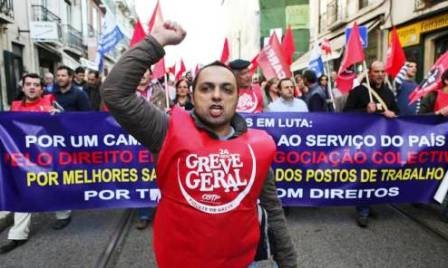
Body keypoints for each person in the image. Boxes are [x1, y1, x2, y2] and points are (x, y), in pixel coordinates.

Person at [102, 21, 297, 267]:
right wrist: (156, 41)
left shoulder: (257, 147)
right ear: (193, 96)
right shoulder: (166, 131)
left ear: (238, 98)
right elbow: (115, 92)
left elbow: (273, 211)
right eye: (207, 88)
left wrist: (288, 262)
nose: (217, 95)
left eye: (227, 89)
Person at [0, 73, 59, 254]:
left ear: (42, 89)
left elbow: (65, 126)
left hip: (48, 159)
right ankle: (18, 235)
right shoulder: (14, 107)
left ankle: (64, 214)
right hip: (22, 159)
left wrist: (58, 116)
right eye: (28, 84)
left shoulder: (50, 103)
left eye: (36, 84)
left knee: (59, 187)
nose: (32, 87)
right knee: (23, 192)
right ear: (23, 87)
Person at [343, 61, 399, 228]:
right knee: (364, 174)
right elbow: (346, 113)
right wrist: (364, 111)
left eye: (382, 71)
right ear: (370, 73)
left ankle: (370, 202)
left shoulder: (388, 93)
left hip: (382, 141)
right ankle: (362, 209)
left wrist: (392, 113)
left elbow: (397, 112)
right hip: (363, 141)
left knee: (377, 175)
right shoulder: (360, 91)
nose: (380, 74)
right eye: (376, 71)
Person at [419, 69, 448, 222]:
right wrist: (438, 113)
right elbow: (420, 117)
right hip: (433, 142)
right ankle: (419, 194)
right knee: (428, 170)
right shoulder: (433, 96)